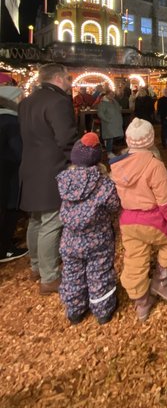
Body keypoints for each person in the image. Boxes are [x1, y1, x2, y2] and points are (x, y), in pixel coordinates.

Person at [109, 118, 167, 322]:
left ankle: (141, 301)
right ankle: (161, 281)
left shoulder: (117, 165)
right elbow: (166, 201)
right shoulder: (154, 165)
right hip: (152, 220)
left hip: (128, 221)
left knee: (134, 258)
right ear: (150, 139)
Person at [19, 63, 78, 294]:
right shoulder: (58, 102)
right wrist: (78, 161)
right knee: (52, 223)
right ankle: (49, 276)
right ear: (58, 78)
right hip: (51, 170)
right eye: (68, 77)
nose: (69, 81)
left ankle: (36, 266)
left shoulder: (26, 102)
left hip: (29, 168)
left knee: (35, 220)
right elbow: (66, 139)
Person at [56, 133, 120, 325]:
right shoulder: (103, 183)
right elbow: (114, 205)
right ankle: (103, 310)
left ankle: (75, 310)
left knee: (72, 273)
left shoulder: (64, 181)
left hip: (69, 240)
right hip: (97, 239)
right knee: (99, 272)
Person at [0, 81, 28, 262]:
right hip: (9, 174)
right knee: (10, 208)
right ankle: (4, 248)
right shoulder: (11, 122)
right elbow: (19, 151)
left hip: (4, 171)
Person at [96, 88, 124, 158]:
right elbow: (100, 113)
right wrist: (107, 119)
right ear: (107, 95)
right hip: (108, 124)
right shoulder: (103, 103)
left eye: (113, 94)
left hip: (116, 123)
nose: (112, 95)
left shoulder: (114, 101)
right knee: (110, 137)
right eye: (110, 94)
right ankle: (109, 152)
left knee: (119, 136)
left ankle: (108, 147)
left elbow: (118, 108)